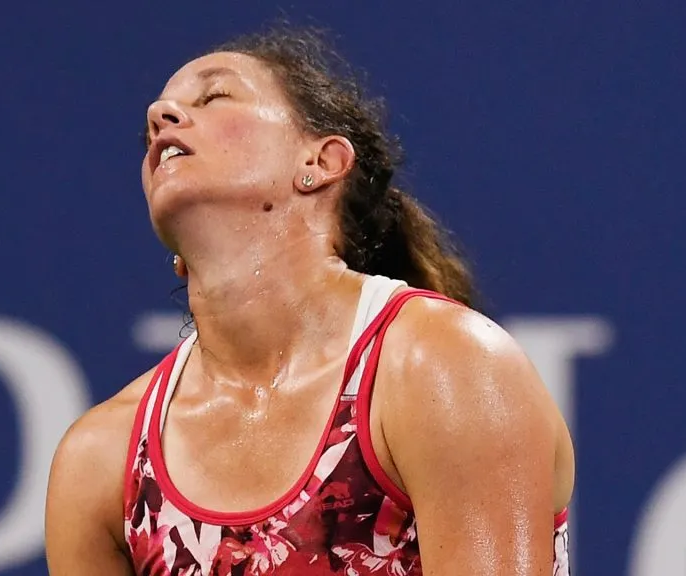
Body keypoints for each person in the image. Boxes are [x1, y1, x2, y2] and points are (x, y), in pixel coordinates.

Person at [45, 25, 574, 576]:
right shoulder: (101, 459)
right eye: (155, 118)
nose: (160, 117)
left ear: (320, 163)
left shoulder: (442, 365)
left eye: (214, 96)